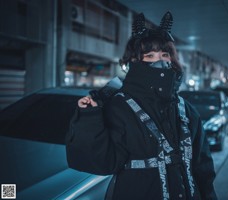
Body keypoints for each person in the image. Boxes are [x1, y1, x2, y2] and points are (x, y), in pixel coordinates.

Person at [66, 11, 218, 200]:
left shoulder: (185, 110)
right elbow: (102, 163)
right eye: (150, 55)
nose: (160, 61)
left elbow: (203, 168)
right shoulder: (119, 106)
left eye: (165, 54)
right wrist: (89, 117)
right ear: (134, 61)